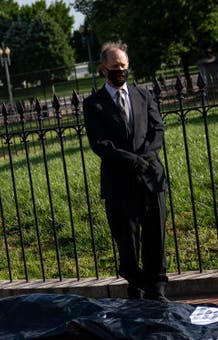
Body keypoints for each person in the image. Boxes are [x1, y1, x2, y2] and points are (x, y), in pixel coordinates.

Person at [83, 41, 168, 301]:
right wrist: (131, 160)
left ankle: (157, 288)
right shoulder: (93, 104)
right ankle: (136, 285)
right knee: (126, 239)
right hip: (119, 181)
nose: (120, 70)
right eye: (114, 67)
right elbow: (100, 144)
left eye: (123, 66)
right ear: (102, 69)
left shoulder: (144, 96)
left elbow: (158, 129)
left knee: (155, 236)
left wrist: (146, 157)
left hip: (151, 177)